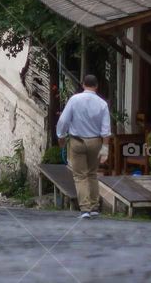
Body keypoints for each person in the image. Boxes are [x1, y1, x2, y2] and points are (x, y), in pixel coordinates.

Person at [56, 74, 111, 219]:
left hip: (77, 141)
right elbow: (106, 130)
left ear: (82, 84)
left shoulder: (74, 100)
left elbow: (63, 120)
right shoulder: (102, 104)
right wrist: (105, 149)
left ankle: (85, 208)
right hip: (95, 142)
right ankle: (94, 207)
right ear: (97, 86)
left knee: (80, 176)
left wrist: (61, 137)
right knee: (92, 174)